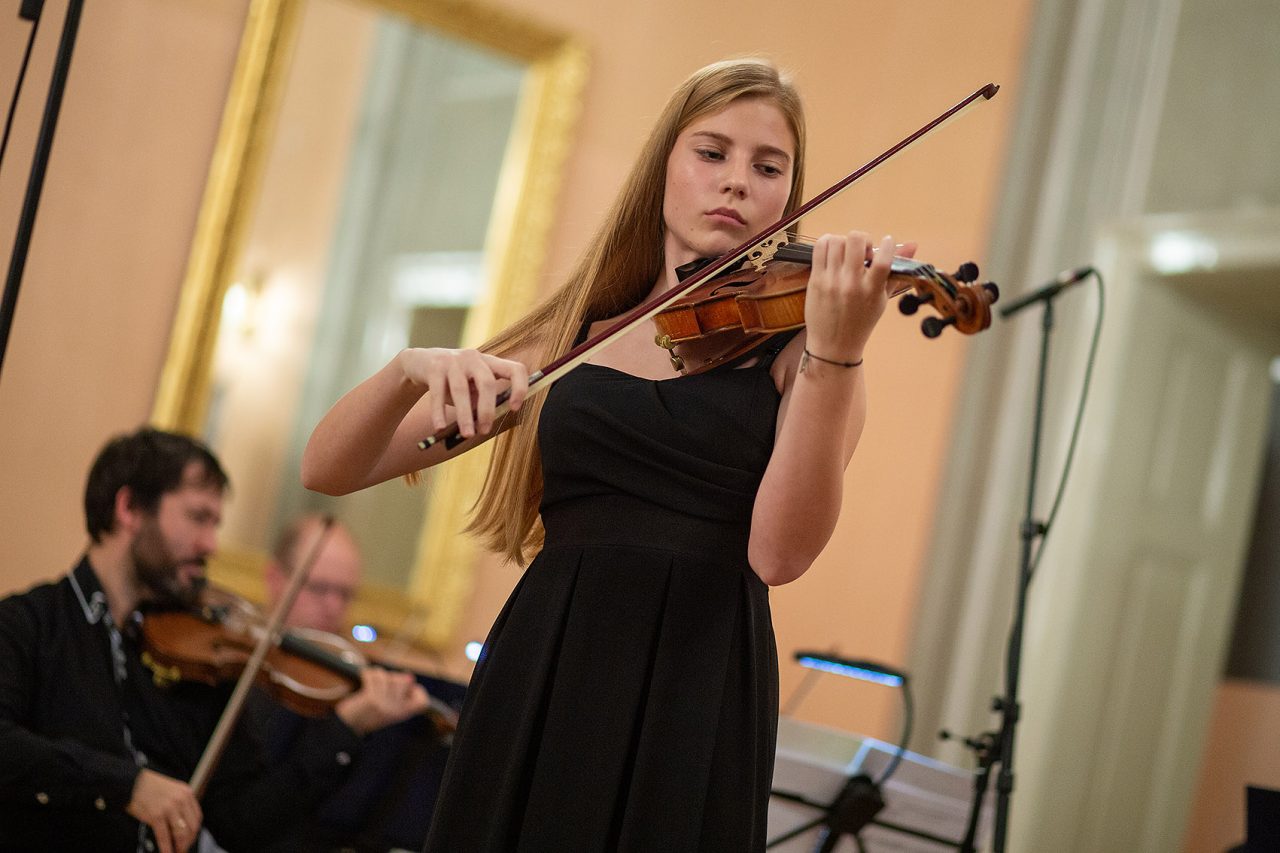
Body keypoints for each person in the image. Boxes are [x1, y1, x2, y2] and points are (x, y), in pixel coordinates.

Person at [302, 57, 912, 850]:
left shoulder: (808, 354)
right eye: (712, 152)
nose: (737, 181)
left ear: (791, 199)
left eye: (769, 168)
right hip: (549, 658)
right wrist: (405, 370)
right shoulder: (575, 337)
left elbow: (780, 553)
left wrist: (838, 350)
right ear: (663, 167)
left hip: (697, 685)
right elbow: (330, 468)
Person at [0, 428, 425, 853]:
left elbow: (243, 824)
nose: (211, 545)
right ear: (129, 509)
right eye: (198, 517)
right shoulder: (26, 624)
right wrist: (128, 785)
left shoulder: (196, 657)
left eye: (215, 524)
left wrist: (344, 730)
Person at [252, 513, 466, 852]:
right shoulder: (242, 674)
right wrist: (344, 727)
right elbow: (255, 819)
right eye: (320, 588)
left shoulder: (345, 679)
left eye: (346, 594)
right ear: (275, 579)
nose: (334, 607)